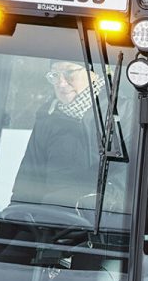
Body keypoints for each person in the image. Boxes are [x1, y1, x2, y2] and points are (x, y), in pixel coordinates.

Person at [9, 60, 102, 210]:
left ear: (93, 75)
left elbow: (123, 185)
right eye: (55, 75)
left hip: (102, 225)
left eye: (69, 73)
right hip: (50, 222)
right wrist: (15, 221)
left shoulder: (122, 117)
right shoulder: (47, 119)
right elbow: (28, 183)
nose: (61, 83)